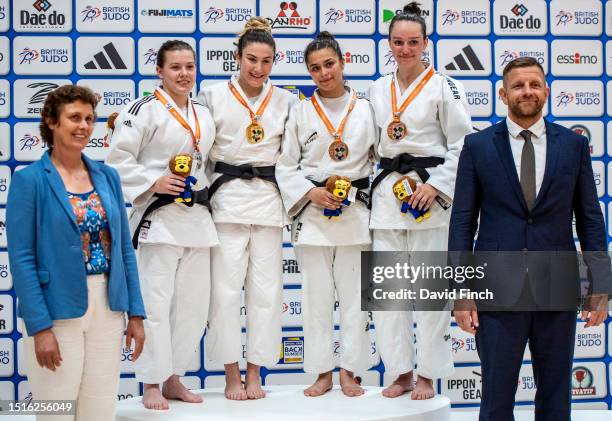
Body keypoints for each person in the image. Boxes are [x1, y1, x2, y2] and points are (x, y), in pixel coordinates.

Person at [450, 56, 611, 421]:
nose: (527, 91)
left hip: (557, 284)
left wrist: (600, 284)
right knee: (495, 395)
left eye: (534, 84)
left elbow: (590, 218)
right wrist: (461, 291)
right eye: (519, 86)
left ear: (546, 92)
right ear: (503, 95)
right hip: (495, 288)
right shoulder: (477, 146)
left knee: (556, 394)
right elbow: (462, 222)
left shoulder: (572, 145)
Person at [6, 85, 146, 421]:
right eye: (74, 118)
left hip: (108, 309)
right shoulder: (29, 181)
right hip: (56, 312)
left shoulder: (108, 177)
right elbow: (22, 260)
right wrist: (40, 328)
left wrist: (137, 314)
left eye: (88, 118)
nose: (83, 126)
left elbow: (125, 249)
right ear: (52, 122)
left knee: (98, 411)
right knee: (56, 412)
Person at [367, 2, 473, 400]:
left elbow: (466, 143)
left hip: (429, 196)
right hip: (388, 195)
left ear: (426, 43)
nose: (405, 49)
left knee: (430, 294)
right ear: (389, 43)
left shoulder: (445, 86)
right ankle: (400, 372)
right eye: (398, 42)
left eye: (413, 42)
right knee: (388, 294)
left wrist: (438, 185)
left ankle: (428, 373)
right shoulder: (378, 88)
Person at [105, 40, 218, 410]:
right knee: (155, 305)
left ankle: (173, 378)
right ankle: (150, 382)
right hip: (158, 219)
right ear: (160, 71)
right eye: (175, 67)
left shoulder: (202, 112)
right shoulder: (142, 110)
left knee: (192, 306)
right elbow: (116, 160)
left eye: (189, 66)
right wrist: (153, 181)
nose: (184, 74)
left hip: (198, 220)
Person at [197, 17, 298, 400]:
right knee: (223, 293)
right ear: (236, 58)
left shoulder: (287, 100)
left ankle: (255, 372)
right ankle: (229, 373)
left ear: (275, 61)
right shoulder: (211, 95)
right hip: (225, 201)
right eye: (251, 59)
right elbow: (198, 149)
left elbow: (292, 157)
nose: (258, 68)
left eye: (266, 61)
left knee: (267, 292)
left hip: (269, 202)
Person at [276, 32, 375, 397]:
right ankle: (321, 372)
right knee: (315, 298)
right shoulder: (300, 111)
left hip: (355, 212)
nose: (323, 73)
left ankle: (350, 370)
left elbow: (384, 158)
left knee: (355, 301)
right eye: (315, 68)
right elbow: (284, 165)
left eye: (329, 64)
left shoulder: (367, 108)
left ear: (343, 62)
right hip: (314, 213)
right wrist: (311, 192)